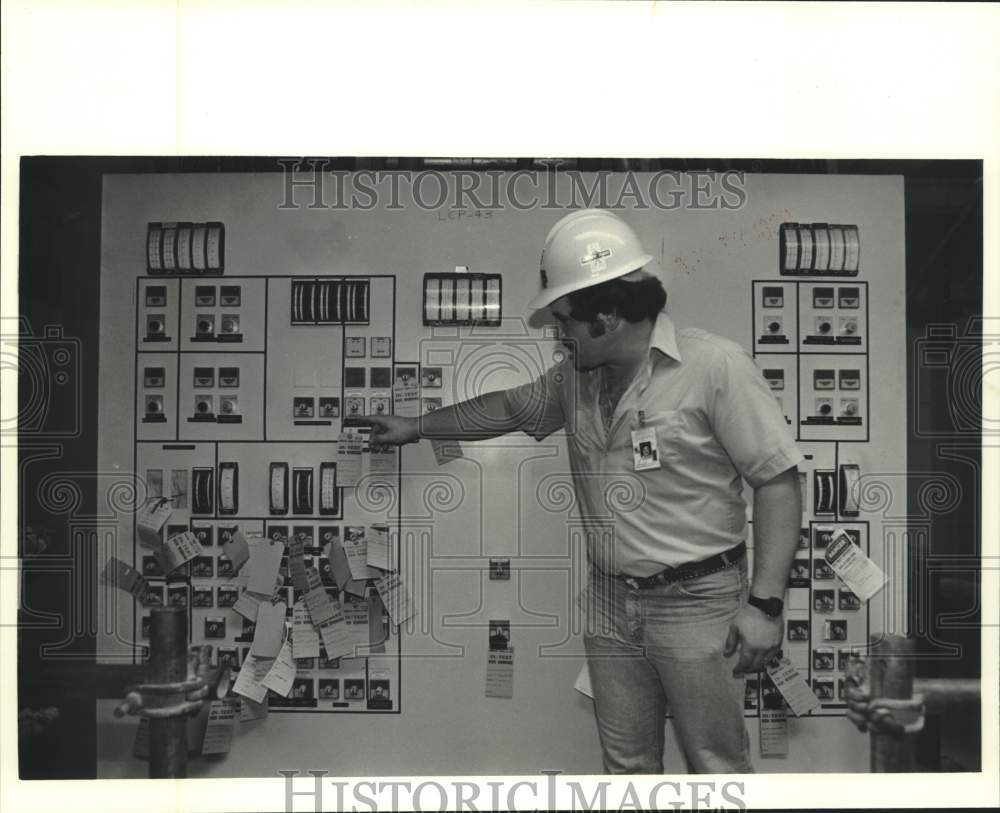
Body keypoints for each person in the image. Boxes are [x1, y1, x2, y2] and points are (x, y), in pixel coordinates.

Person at [365, 209, 802, 773]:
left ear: (607, 317)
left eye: (564, 320)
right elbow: (505, 408)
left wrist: (764, 606)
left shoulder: (713, 366)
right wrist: (417, 427)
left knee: (715, 767)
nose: (556, 335)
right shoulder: (574, 376)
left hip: (698, 603)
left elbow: (778, 481)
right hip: (608, 601)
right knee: (625, 766)